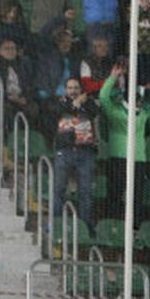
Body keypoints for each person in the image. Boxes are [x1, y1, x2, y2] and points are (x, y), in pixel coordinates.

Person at [97, 63, 150, 224]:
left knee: (136, 196)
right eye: (138, 100)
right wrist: (112, 78)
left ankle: (134, 227)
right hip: (119, 158)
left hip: (138, 159)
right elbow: (103, 98)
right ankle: (113, 225)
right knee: (115, 194)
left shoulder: (142, 113)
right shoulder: (115, 112)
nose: (141, 104)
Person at [49, 77, 99, 232]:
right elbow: (57, 112)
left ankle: (86, 227)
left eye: (76, 88)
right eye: (70, 88)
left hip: (85, 152)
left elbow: (96, 112)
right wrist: (75, 104)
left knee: (86, 191)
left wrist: (82, 103)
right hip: (65, 151)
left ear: (81, 89)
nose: (73, 91)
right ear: (65, 90)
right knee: (59, 189)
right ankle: (55, 225)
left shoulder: (88, 103)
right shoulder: (59, 102)